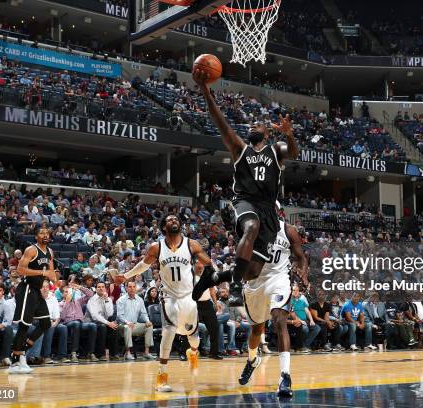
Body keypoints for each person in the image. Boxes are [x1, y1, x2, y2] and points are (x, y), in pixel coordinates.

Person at [191, 68, 299, 307]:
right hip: (245, 201)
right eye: (250, 124)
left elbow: (293, 152)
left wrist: (289, 135)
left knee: (253, 270)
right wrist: (205, 90)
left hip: (269, 210)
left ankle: (215, 277)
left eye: (258, 125)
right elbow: (220, 121)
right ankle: (236, 286)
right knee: (251, 225)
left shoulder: (276, 150)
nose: (252, 126)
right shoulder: (241, 149)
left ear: (268, 133)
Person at [116, 214, 214, 392]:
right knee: (168, 330)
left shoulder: (191, 244)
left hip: (189, 296)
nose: (174, 221)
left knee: (193, 337)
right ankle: (162, 376)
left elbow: (209, 263)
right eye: (169, 219)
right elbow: (144, 265)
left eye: (176, 219)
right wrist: (126, 276)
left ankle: (193, 353)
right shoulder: (157, 247)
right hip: (168, 295)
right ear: (163, 227)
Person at [238, 215, 308, 397]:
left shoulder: (288, 230)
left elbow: (301, 258)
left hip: (278, 280)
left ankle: (285, 377)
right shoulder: (252, 228)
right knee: (256, 330)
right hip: (254, 283)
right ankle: (252, 360)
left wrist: (303, 273)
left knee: (280, 322)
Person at [8, 226, 58, 374]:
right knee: (24, 326)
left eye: (47, 233)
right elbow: (20, 270)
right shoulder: (31, 250)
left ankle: (21, 351)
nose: (45, 235)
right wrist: (42, 272)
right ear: (36, 236)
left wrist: (55, 281)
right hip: (27, 289)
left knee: (46, 323)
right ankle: (16, 362)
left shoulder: (49, 251)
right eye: (42, 233)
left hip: (37, 291)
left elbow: (51, 272)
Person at [86, 282, 120, 361]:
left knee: (114, 325)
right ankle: (100, 354)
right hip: (91, 322)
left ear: (105, 289)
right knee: (103, 326)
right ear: (96, 289)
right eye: (99, 287)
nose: (101, 288)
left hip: (104, 321)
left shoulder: (108, 299)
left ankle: (114, 354)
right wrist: (108, 323)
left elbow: (110, 314)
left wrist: (106, 300)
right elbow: (95, 316)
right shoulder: (92, 299)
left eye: (103, 287)